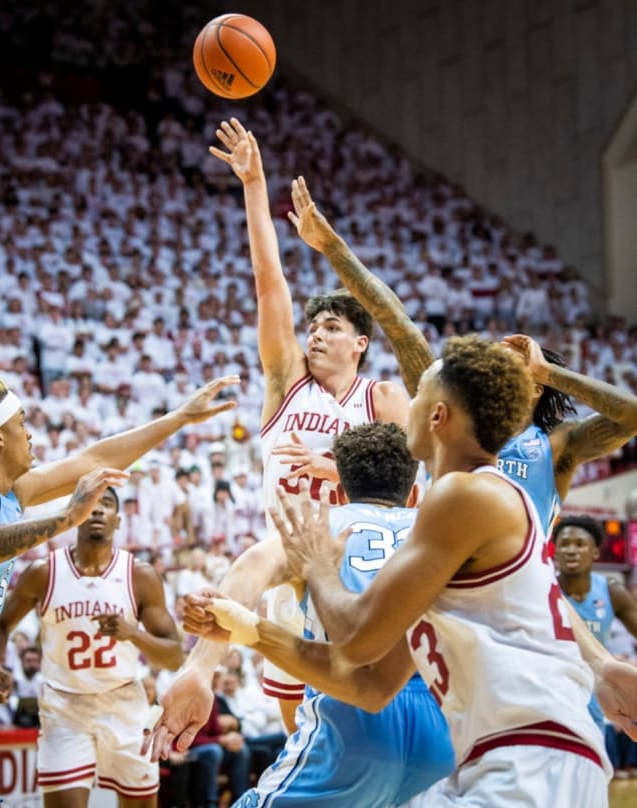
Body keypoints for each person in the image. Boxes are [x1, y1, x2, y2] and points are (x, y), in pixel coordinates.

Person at [209, 336, 637, 807]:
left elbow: (355, 642)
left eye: (416, 397)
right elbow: (368, 686)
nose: (403, 406)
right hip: (521, 757)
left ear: (436, 416)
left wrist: (318, 567)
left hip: (526, 758)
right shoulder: (456, 520)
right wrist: (250, 631)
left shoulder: (464, 496)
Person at [0, 373, 238, 808]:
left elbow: (95, 458)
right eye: (22, 423)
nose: (31, 432)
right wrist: (62, 520)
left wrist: (178, 418)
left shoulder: (11, 494)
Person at [287, 176, 637, 535]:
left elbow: (632, 417)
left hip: (517, 584)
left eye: (513, 362)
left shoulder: (556, 444)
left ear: (535, 389)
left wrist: (550, 373)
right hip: (444, 579)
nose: (494, 364)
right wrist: (331, 247)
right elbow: (395, 321)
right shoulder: (451, 414)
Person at [209, 118, 411, 725]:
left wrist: (337, 467)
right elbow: (271, 285)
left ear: (361, 344)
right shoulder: (286, 383)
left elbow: (411, 492)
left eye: (331, 329)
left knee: (372, 701)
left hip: (361, 558)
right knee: (297, 716)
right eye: (313, 327)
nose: (316, 334)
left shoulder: (384, 398)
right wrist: (254, 183)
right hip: (288, 561)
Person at [181, 421, 454, 807]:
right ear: (413, 494)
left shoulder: (324, 531)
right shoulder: (441, 531)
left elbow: (255, 564)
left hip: (352, 714)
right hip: (443, 724)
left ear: (340, 489)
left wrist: (200, 665)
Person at [0, 485, 182, 807]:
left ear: (118, 520)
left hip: (125, 706)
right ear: (75, 515)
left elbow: (174, 656)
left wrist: (133, 634)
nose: (99, 510)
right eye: (90, 503)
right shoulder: (43, 572)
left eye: (107, 505)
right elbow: (1, 625)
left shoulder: (139, 576)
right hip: (65, 709)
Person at [552, 514, 637, 733]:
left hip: (595, 692)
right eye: (564, 544)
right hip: (551, 690)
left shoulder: (612, 591)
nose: (571, 550)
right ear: (555, 552)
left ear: (595, 552)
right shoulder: (543, 589)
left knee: (595, 764)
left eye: (580, 544)